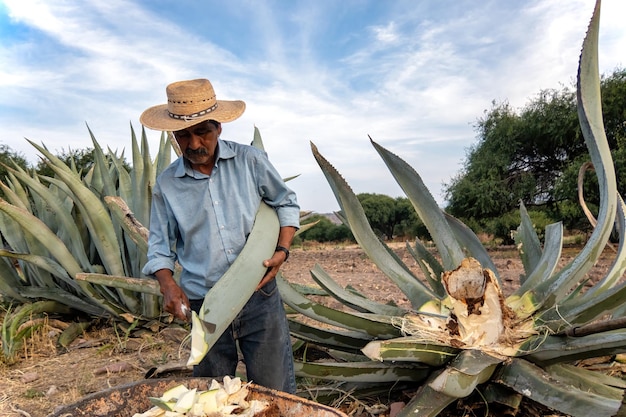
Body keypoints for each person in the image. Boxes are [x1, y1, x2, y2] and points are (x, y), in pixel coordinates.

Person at [139, 78, 299, 393]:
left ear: (219, 128)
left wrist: (283, 250)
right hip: (204, 302)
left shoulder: (250, 161)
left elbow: (285, 202)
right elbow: (159, 246)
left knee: (274, 387)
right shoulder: (167, 184)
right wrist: (168, 285)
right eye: (184, 136)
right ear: (174, 135)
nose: (195, 144)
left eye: (203, 132)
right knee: (212, 393)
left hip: (258, 293)